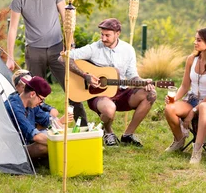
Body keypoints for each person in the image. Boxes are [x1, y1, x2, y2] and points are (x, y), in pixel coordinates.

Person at [6, 0, 87, 125]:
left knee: (72, 89)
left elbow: (67, 18)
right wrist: (10, 56)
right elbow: (13, 28)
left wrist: (70, 43)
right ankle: (38, 130)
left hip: (58, 48)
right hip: (34, 51)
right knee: (34, 93)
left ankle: (83, 126)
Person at [65, 18, 156, 147]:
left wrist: (143, 82)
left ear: (117, 33)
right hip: (99, 94)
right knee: (109, 109)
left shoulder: (128, 49)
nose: (103, 38)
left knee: (150, 94)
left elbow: (132, 75)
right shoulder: (94, 48)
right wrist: (85, 76)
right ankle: (108, 133)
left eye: (107, 35)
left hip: (122, 92)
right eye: (102, 34)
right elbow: (64, 57)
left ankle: (128, 135)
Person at [164, 27, 206, 164]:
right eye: (195, 39)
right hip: (191, 100)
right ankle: (179, 140)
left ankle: (197, 151)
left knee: (204, 106)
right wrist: (174, 99)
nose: (195, 42)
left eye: (198, 40)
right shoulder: (191, 59)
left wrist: (193, 111)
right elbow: (185, 86)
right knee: (170, 108)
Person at [4, 76, 72, 164]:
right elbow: (35, 136)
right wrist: (63, 143)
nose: (41, 103)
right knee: (43, 147)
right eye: (41, 99)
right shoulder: (13, 107)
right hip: (12, 149)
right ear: (32, 94)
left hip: (26, 143)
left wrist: (60, 127)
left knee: (49, 136)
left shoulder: (31, 105)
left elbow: (48, 120)